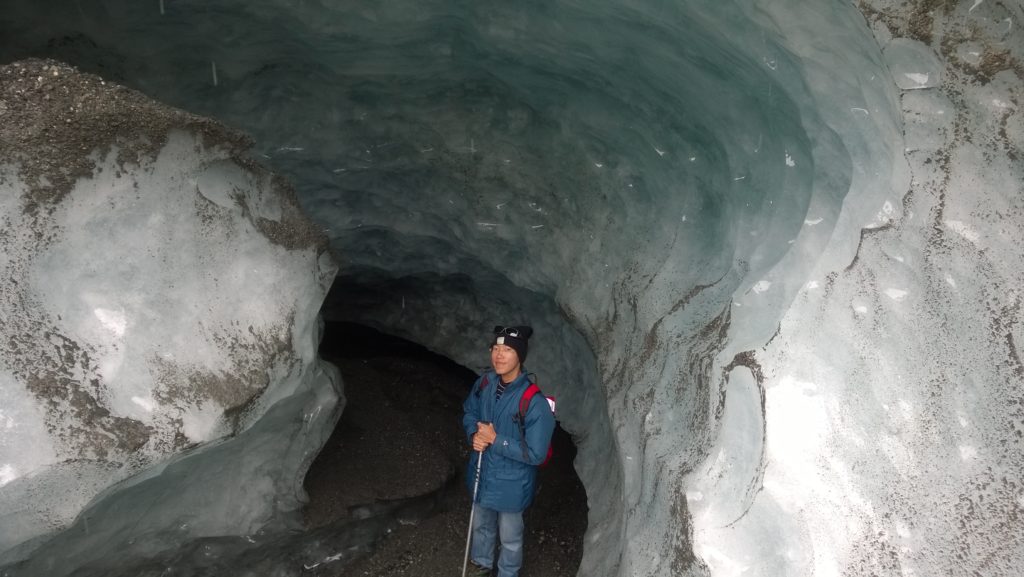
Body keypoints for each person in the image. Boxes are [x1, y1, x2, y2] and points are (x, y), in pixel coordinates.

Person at [462, 325, 556, 577]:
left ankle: (507, 573)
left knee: (510, 537)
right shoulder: (484, 383)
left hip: (512, 482)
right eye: (496, 348)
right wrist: (474, 434)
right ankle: (481, 564)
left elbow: (536, 453)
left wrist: (495, 439)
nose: (499, 355)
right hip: (483, 472)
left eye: (507, 350)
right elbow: (470, 412)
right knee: (482, 525)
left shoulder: (534, 402)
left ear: (520, 356)